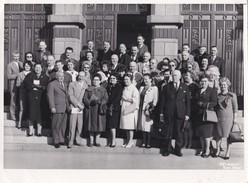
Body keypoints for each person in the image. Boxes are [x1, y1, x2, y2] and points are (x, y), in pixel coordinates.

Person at [160, 70, 190, 157]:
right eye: (173, 75)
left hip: (180, 113)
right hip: (168, 113)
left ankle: (178, 150)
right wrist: (161, 114)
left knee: (179, 132)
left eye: (176, 76)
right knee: (168, 131)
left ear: (180, 77)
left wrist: (187, 114)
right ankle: (167, 149)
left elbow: (188, 102)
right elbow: (162, 101)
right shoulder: (166, 87)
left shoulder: (185, 87)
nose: (174, 77)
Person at [214, 77, 238, 159]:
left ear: (227, 85)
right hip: (219, 118)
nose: (223, 86)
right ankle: (217, 150)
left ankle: (227, 152)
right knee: (218, 135)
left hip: (229, 119)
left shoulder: (232, 95)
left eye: (224, 85)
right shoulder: (217, 96)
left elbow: (235, 108)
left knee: (229, 136)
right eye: (221, 85)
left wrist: (235, 119)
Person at [195, 74, 217, 158]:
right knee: (201, 133)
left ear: (208, 82)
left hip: (208, 115)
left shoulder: (212, 91)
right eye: (202, 81)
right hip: (199, 115)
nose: (203, 83)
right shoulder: (198, 90)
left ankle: (207, 150)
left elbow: (214, 102)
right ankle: (202, 148)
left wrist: (203, 104)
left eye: (205, 81)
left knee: (206, 134)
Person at [23, 63, 49, 136]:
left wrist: (40, 87)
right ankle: (30, 131)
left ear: (42, 68)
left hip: (41, 98)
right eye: (36, 67)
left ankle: (39, 131)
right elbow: (27, 83)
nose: (37, 69)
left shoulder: (45, 77)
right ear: (34, 68)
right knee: (31, 113)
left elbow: (46, 86)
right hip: (32, 97)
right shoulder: (30, 75)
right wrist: (34, 86)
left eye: (39, 67)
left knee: (40, 114)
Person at [83, 74, 108, 147]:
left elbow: (106, 99)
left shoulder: (103, 90)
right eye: (94, 80)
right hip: (91, 109)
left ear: (100, 81)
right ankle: (91, 141)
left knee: (99, 124)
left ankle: (97, 141)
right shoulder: (88, 89)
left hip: (99, 109)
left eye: (97, 80)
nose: (95, 81)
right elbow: (85, 98)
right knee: (90, 124)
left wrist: (100, 102)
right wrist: (89, 103)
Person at [47, 71, 70, 148]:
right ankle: (56, 141)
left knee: (63, 125)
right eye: (60, 76)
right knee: (56, 125)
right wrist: (52, 107)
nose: (61, 77)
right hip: (57, 107)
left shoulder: (65, 84)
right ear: (56, 76)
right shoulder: (52, 84)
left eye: (62, 76)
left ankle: (61, 139)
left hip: (65, 107)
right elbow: (50, 96)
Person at [67, 71, 89, 148]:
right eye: (79, 76)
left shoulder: (87, 86)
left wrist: (82, 105)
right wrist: (78, 104)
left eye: (82, 76)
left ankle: (78, 139)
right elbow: (70, 96)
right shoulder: (72, 84)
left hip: (82, 107)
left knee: (80, 125)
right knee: (72, 125)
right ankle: (70, 140)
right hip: (74, 106)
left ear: (85, 77)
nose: (80, 77)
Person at [137, 74, 158, 148]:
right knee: (143, 126)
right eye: (144, 79)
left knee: (148, 127)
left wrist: (150, 107)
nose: (145, 81)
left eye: (146, 79)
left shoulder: (154, 88)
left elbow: (155, 100)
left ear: (150, 80)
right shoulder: (141, 88)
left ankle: (148, 142)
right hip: (141, 109)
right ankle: (143, 142)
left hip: (149, 110)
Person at [120, 73, 140, 148]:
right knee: (126, 127)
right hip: (125, 109)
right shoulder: (125, 88)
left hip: (131, 110)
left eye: (127, 79)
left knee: (130, 127)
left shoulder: (134, 89)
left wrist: (127, 99)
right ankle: (127, 141)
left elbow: (136, 100)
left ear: (131, 80)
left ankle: (130, 141)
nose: (125, 81)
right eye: (124, 79)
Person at [182, 71, 199, 148]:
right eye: (185, 75)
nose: (186, 77)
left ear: (191, 76)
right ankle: (185, 143)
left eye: (187, 75)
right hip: (183, 108)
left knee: (190, 127)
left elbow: (196, 98)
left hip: (192, 108)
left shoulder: (195, 86)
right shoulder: (183, 85)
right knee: (184, 127)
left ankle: (190, 143)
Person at [106, 72, 123, 147]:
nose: (112, 80)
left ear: (117, 80)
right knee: (110, 125)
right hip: (109, 107)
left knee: (113, 125)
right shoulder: (109, 87)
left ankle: (113, 141)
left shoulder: (118, 87)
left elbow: (117, 98)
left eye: (114, 78)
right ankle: (110, 140)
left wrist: (111, 104)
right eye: (111, 78)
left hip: (114, 108)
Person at [7, 51, 23, 121]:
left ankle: (19, 115)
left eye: (17, 56)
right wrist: (18, 74)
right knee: (13, 100)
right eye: (15, 56)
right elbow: (9, 76)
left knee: (20, 99)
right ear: (12, 57)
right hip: (13, 85)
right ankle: (12, 116)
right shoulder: (10, 65)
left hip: (21, 84)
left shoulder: (22, 63)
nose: (16, 58)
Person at [16, 61, 32, 129]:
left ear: (30, 67)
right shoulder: (20, 74)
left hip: (30, 93)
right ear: (24, 67)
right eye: (26, 66)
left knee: (30, 108)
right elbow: (17, 84)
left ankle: (29, 123)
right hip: (23, 92)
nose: (27, 67)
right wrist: (23, 84)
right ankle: (19, 122)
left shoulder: (32, 74)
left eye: (28, 66)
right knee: (22, 108)